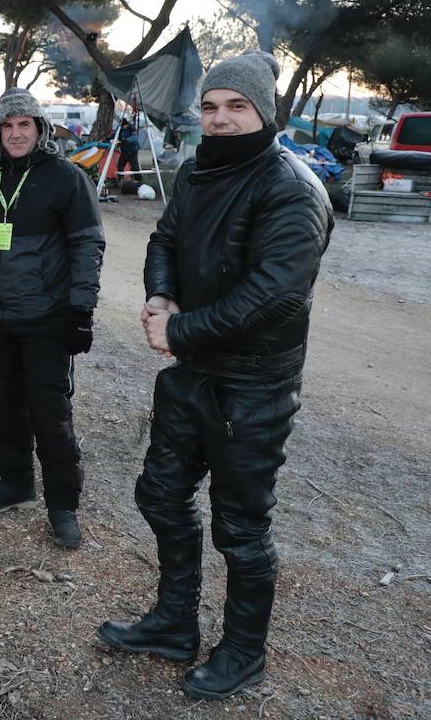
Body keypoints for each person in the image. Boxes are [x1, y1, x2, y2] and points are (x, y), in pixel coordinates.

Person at [98, 51, 334, 700]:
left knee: (241, 529)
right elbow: (164, 241)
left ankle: (244, 653)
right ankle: (175, 623)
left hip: (252, 388)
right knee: (160, 495)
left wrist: (178, 331)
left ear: (266, 112)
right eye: (210, 106)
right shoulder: (201, 170)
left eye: (237, 107)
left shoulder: (291, 188)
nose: (220, 119)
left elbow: (275, 295)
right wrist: (159, 297)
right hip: (190, 375)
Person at [0, 88, 105, 548]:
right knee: (4, 407)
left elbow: (87, 245)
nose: (16, 134)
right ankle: (16, 483)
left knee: (50, 415)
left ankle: (63, 504)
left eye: (25, 125)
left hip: (47, 319)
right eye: (8, 126)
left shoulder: (66, 178)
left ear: (40, 129)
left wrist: (82, 309)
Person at [116, 114, 141, 184]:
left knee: (134, 165)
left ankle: (138, 180)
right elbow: (114, 134)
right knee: (120, 165)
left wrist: (126, 140)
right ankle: (120, 179)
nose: (123, 127)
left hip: (132, 150)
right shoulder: (120, 128)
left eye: (124, 126)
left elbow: (134, 138)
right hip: (124, 150)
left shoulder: (131, 128)